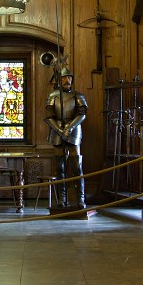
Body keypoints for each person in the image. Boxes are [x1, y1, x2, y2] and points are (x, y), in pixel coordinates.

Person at [44, 67, 88, 208]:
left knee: (76, 166)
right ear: (59, 79)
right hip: (56, 130)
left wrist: (69, 127)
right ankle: (61, 199)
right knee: (59, 167)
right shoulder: (53, 96)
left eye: (69, 77)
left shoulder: (78, 95)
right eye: (64, 77)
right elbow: (49, 116)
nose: (67, 80)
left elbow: (82, 113)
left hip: (74, 130)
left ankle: (80, 198)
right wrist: (58, 129)